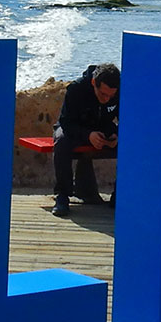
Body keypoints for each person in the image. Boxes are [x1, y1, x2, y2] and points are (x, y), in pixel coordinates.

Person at [51, 63, 120, 217]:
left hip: (103, 129)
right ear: (93, 83)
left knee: (131, 142)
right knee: (61, 141)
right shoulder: (76, 89)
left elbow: (128, 121)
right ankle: (62, 195)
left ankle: (120, 193)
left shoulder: (121, 91)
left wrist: (116, 135)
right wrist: (88, 135)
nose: (107, 99)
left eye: (111, 96)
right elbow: (66, 122)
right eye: (103, 94)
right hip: (74, 129)